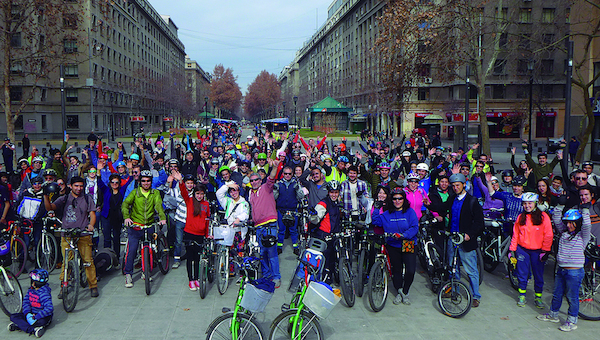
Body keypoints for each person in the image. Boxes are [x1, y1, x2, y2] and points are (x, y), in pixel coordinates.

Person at [43, 176, 99, 298]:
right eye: (76, 186)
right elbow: (50, 207)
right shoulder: (64, 199)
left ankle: (93, 286)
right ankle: (64, 286)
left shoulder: (87, 199)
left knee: (88, 261)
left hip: (83, 233)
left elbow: (92, 214)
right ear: (70, 186)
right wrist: (45, 196)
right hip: (67, 234)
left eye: (80, 186)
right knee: (66, 262)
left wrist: (91, 225)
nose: (78, 188)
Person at [537, 207, 590, 331]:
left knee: (572, 297)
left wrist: (586, 209)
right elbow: (556, 219)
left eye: (572, 223)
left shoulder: (582, 236)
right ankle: (553, 315)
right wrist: (559, 206)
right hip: (561, 269)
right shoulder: (564, 233)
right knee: (557, 294)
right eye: (567, 222)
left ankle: (572, 321)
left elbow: (587, 225)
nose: (569, 225)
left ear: (578, 223)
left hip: (574, 271)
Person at [371, 187, 418, 305]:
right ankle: (399, 291)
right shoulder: (387, 214)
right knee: (396, 270)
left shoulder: (410, 212)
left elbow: (414, 227)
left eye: (400, 198)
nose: (397, 201)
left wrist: (403, 235)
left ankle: (405, 291)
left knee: (410, 270)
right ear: (391, 200)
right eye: (395, 199)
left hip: (408, 242)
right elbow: (376, 222)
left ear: (404, 199)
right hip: (392, 244)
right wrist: (376, 208)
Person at [121, 170, 167, 288]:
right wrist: (127, 218)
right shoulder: (135, 193)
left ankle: (146, 271)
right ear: (140, 182)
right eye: (143, 181)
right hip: (136, 226)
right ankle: (128, 274)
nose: (146, 183)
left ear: (151, 182)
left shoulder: (155, 193)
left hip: (149, 225)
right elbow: (125, 204)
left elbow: (158, 205)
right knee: (132, 250)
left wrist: (162, 217)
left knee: (151, 249)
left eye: (148, 181)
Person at [445, 173, 484, 308]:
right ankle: (454, 290)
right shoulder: (452, 199)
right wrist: (429, 205)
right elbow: (443, 208)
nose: (455, 188)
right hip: (453, 238)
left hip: (466, 240)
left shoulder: (472, 201)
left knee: (471, 269)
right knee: (453, 267)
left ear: (464, 185)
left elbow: (479, 223)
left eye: (458, 185)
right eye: (453, 186)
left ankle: (476, 296)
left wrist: (469, 234)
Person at [509, 192, 554, 308]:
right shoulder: (521, 217)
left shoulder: (543, 217)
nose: (527, 206)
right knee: (522, 273)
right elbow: (516, 234)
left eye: (529, 203)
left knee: (538, 275)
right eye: (524, 203)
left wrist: (545, 251)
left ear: (535, 203)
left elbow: (548, 235)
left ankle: (538, 297)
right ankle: (522, 295)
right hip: (522, 249)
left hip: (538, 251)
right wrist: (512, 250)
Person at [248, 160, 281, 288]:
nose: (254, 182)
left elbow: (272, 177)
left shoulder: (266, 188)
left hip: (270, 225)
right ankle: (267, 276)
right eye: (252, 181)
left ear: (260, 180)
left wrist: (275, 167)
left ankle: (276, 277)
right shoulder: (251, 193)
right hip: (258, 227)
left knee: (272, 253)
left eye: (256, 179)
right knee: (262, 254)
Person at [178, 179, 210, 291]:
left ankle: (196, 278)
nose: (199, 196)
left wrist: (207, 235)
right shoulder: (189, 201)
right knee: (190, 258)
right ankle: (190, 280)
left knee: (197, 258)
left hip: (200, 235)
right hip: (189, 234)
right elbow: (183, 191)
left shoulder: (206, 204)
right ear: (194, 193)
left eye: (201, 194)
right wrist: (180, 181)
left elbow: (207, 221)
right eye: (197, 193)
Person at [310, 180, 342, 284]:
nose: (334, 194)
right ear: (328, 192)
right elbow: (316, 218)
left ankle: (332, 278)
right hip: (324, 236)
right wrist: (314, 215)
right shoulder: (323, 203)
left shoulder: (337, 203)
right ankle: (325, 282)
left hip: (334, 236)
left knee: (333, 259)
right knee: (326, 261)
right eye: (332, 192)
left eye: (336, 192)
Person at [8, 269, 53, 337]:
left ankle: (26, 328)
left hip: (40, 316)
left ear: (34, 283)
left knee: (42, 322)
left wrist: (37, 316)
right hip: (31, 315)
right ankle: (31, 328)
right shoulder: (30, 290)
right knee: (13, 316)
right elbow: (26, 302)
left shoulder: (44, 293)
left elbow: (49, 308)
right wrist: (27, 313)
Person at [274, 166, 305, 255]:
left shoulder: (296, 184)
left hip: (292, 211)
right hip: (281, 210)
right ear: (283, 174)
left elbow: (301, 197)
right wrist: (276, 190)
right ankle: (279, 247)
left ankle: (296, 247)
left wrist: (298, 189)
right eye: (285, 173)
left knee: (293, 230)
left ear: (292, 174)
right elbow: (274, 198)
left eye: (289, 174)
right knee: (281, 230)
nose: (287, 175)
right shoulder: (279, 184)